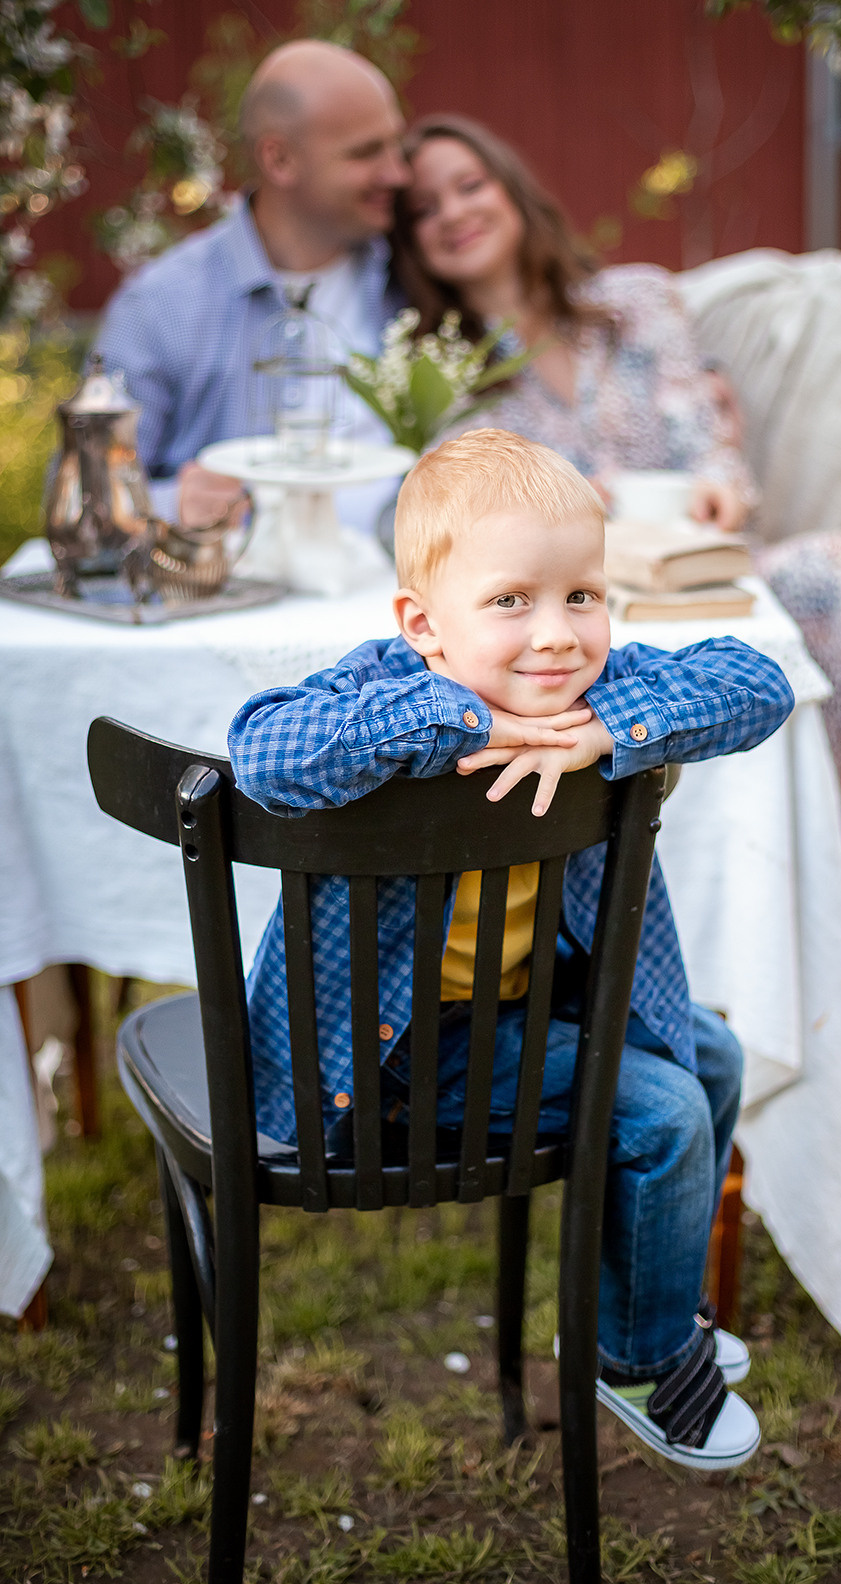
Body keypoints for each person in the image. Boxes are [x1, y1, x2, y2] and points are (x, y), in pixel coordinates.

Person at [390, 113, 841, 1166]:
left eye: (467, 184)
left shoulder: (637, 304)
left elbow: (713, 441)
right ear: (408, 244)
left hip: (717, 579)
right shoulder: (447, 383)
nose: (452, 214)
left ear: (513, 190)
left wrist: (720, 481)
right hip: (584, 635)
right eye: (423, 207)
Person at [228, 427, 795, 1469]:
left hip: (523, 1012)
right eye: (509, 602)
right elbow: (259, 751)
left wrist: (611, 723)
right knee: (664, 1110)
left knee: (709, 1055)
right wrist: (445, 715)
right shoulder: (386, 686)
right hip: (387, 1056)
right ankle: (629, 1359)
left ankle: (648, 1304)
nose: (555, 635)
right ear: (421, 624)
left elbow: (754, 681)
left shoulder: (592, 691)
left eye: (580, 595)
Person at [94, 40, 412, 532]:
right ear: (279, 159)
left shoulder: (414, 275)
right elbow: (86, 495)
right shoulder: (162, 306)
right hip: (233, 595)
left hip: (397, 590)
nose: (398, 172)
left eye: (396, 144)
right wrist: (173, 502)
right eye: (367, 152)